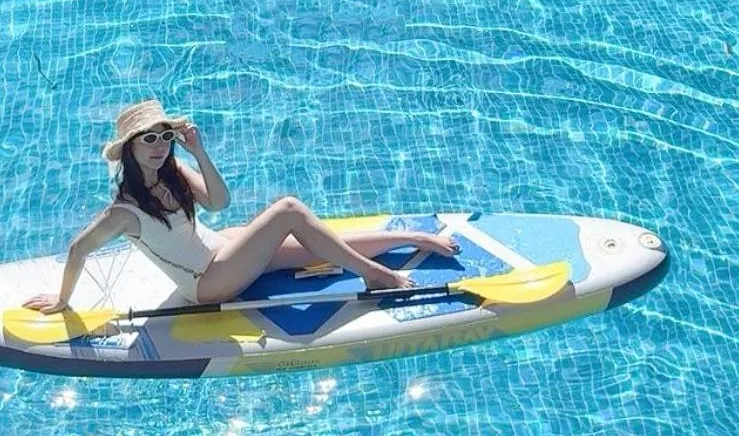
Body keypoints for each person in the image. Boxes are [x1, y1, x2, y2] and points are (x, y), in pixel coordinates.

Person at [23, 100, 459, 313]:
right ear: (130, 148)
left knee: (316, 243)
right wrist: (63, 300)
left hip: (219, 249)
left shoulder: (175, 174)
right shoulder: (125, 211)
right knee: (288, 211)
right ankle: (379, 277)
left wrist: (198, 152)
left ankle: (413, 238)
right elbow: (80, 248)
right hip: (207, 282)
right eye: (148, 139)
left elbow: (219, 202)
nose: (158, 147)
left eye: (164, 136)